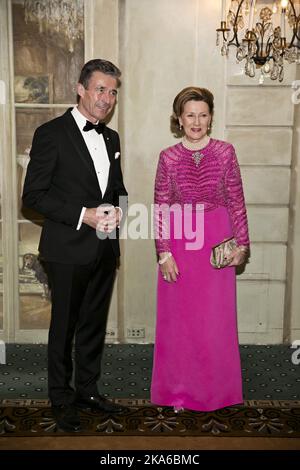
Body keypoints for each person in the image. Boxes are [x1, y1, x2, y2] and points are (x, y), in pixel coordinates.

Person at [22, 59, 128, 432]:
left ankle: (88, 390)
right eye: (100, 89)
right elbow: (32, 195)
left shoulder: (111, 138)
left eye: (113, 91)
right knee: (64, 327)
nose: (107, 98)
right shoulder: (51, 133)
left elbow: (117, 190)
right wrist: (84, 214)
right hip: (66, 249)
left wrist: (120, 215)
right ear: (80, 88)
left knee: (93, 326)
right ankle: (61, 398)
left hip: (104, 248)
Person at [151, 86, 250, 412]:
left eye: (203, 115)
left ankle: (217, 392)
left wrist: (243, 245)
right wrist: (164, 252)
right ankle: (179, 391)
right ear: (179, 119)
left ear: (211, 117)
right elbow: (161, 207)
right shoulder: (167, 156)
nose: (197, 121)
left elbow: (236, 199)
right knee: (180, 323)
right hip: (180, 242)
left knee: (214, 321)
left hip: (217, 240)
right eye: (190, 115)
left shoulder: (225, 152)